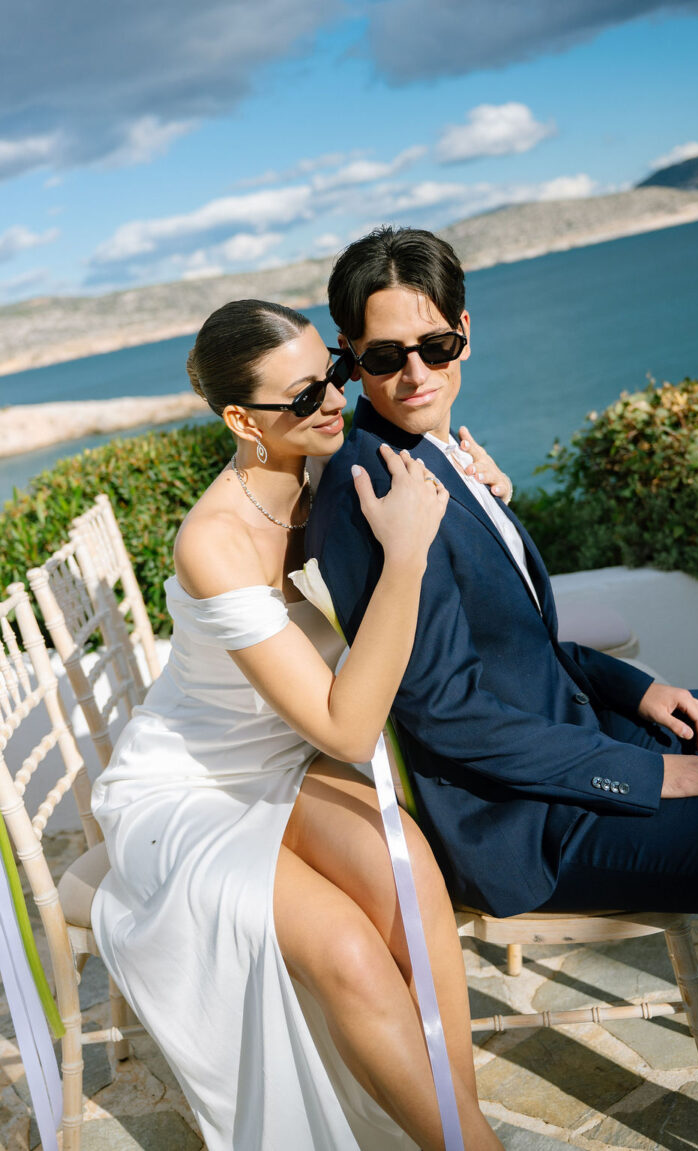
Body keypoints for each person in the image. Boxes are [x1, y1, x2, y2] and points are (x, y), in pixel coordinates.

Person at [90, 299, 504, 1151]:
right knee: (347, 949)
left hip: (289, 756)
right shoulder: (214, 542)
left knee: (410, 879)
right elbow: (348, 731)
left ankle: (459, 1131)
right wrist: (406, 556)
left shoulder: (336, 466)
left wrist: (481, 486)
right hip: (192, 789)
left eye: (335, 375)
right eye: (306, 393)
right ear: (243, 420)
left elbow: (432, 456)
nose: (335, 401)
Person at [307, 225, 698, 921]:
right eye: (385, 355)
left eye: (436, 346)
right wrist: (649, 774)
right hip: (529, 821)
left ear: (464, 332)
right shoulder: (374, 491)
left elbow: (513, 643)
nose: (417, 375)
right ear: (350, 354)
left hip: (583, 728)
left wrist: (633, 687)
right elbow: (448, 712)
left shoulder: (442, 453)